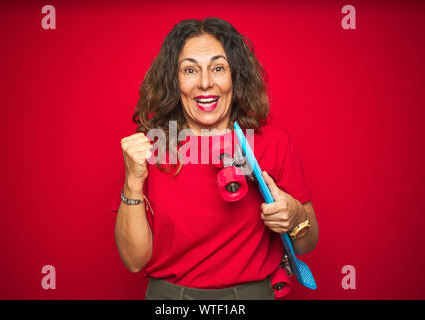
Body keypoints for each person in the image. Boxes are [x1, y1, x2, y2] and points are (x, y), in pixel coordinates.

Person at [112, 17, 319, 300]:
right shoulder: (152, 146)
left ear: (235, 75)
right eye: (190, 70)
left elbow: (306, 245)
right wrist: (133, 182)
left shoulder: (271, 142)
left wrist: (294, 214)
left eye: (218, 68)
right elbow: (134, 261)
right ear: (174, 80)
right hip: (170, 300)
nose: (206, 83)